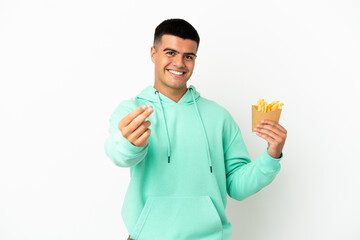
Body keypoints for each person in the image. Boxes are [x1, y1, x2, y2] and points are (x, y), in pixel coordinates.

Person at [104, 18, 287, 240]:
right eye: (170, 52)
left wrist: (271, 155)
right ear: (153, 53)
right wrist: (130, 144)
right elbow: (118, 154)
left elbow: (238, 186)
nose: (179, 63)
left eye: (188, 56)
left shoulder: (218, 117)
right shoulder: (133, 110)